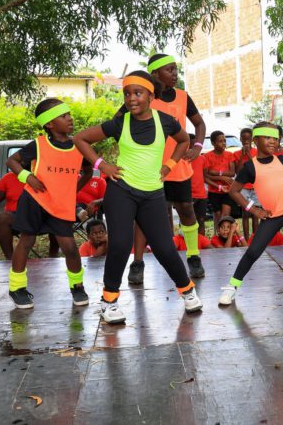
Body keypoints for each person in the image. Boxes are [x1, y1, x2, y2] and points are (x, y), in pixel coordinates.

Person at [73, 70, 202, 323]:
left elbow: (183, 141)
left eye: (138, 93)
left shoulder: (166, 121)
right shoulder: (119, 123)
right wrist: (103, 165)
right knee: (120, 245)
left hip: (152, 193)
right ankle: (109, 301)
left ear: (151, 96)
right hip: (122, 191)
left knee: (165, 248)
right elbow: (80, 139)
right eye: (127, 93)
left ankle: (187, 291)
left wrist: (170, 165)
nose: (131, 98)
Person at [128, 53, 207, 285]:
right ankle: (137, 262)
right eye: (169, 70)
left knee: (186, 210)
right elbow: (120, 121)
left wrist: (198, 146)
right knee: (145, 217)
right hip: (150, 168)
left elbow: (199, 123)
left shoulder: (182, 96)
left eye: (175, 69)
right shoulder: (143, 96)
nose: (174, 73)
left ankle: (193, 256)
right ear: (155, 74)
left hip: (178, 165)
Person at [6, 98, 92, 308]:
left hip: (60, 204)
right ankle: (17, 288)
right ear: (50, 124)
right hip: (34, 200)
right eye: (63, 116)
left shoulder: (79, 146)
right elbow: (12, 161)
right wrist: (28, 177)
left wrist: (72, 190)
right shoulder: (38, 144)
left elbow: (88, 172)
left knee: (69, 247)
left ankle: (77, 286)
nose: (70, 118)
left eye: (69, 114)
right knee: (26, 241)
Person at [218, 122, 283, 304]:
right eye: (267, 137)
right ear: (255, 140)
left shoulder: (281, 160)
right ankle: (231, 287)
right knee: (253, 252)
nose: (272, 141)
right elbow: (234, 191)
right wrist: (254, 209)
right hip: (271, 216)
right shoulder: (250, 167)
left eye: (275, 138)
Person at [0, 170, 26, 260]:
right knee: (1, 218)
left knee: (55, 217)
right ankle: (10, 259)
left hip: (40, 216)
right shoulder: (9, 177)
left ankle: (53, 256)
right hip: (15, 216)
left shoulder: (43, 175)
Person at [204, 130, 236, 225]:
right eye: (220, 141)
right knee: (217, 215)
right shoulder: (207, 156)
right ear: (213, 143)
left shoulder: (229, 155)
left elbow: (232, 173)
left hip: (228, 190)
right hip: (214, 191)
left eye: (224, 141)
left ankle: (225, 233)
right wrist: (222, 179)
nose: (224, 143)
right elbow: (206, 176)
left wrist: (218, 173)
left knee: (225, 216)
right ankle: (218, 233)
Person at [234, 128, 259, 239]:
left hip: (255, 187)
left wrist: (248, 154)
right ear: (240, 139)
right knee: (245, 213)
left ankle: (255, 237)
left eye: (248, 139)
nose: (246, 141)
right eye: (244, 139)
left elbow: (256, 168)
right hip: (243, 187)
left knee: (255, 214)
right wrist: (241, 156)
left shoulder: (257, 152)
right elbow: (238, 171)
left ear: (252, 139)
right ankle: (247, 238)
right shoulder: (236, 154)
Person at [189, 134, 208, 236]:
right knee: (188, 220)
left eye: (195, 145)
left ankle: (202, 240)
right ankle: (186, 241)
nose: (193, 148)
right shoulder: (182, 159)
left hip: (201, 195)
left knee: (201, 220)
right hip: (188, 195)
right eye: (191, 145)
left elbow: (205, 177)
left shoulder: (202, 159)